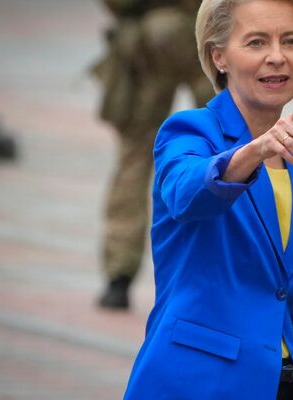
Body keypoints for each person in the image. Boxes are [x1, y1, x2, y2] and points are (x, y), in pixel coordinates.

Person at [123, 0, 293, 398]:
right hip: (195, 382)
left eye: (291, 41)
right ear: (219, 57)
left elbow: (282, 296)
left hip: (276, 383)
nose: (277, 57)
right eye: (256, 42)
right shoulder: (190, 132)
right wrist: (250, 154)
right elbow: (186, 191)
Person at [93, 0, 212, 309]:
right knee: (228, 145)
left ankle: (119, 274)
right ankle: (229, 267)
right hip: (204, 35)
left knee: (133, 160)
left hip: (159, 38)